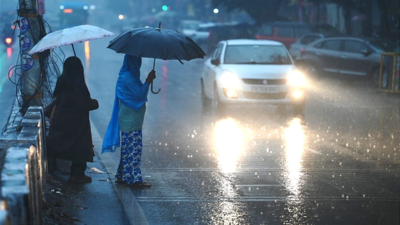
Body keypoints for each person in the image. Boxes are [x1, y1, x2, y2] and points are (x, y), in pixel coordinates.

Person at [102, 54, 156, 188]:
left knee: (128, 149)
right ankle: (134, 179)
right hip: (130, 119)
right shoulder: (129, 78)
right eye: (138, 60)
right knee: (134, 149)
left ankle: (122, 175)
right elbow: (140, 94)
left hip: (129, 117)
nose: (139, 63)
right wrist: (148, 80)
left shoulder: (126, 75)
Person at [47, 56, 99, 183]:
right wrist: (94, 103)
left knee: (73, 147)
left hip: (63, 124)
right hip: (77, 126)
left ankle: (75, 173)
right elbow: (84, 104)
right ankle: (77, 174)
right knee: (80, 148)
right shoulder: (77, 87)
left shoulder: (63, 81)